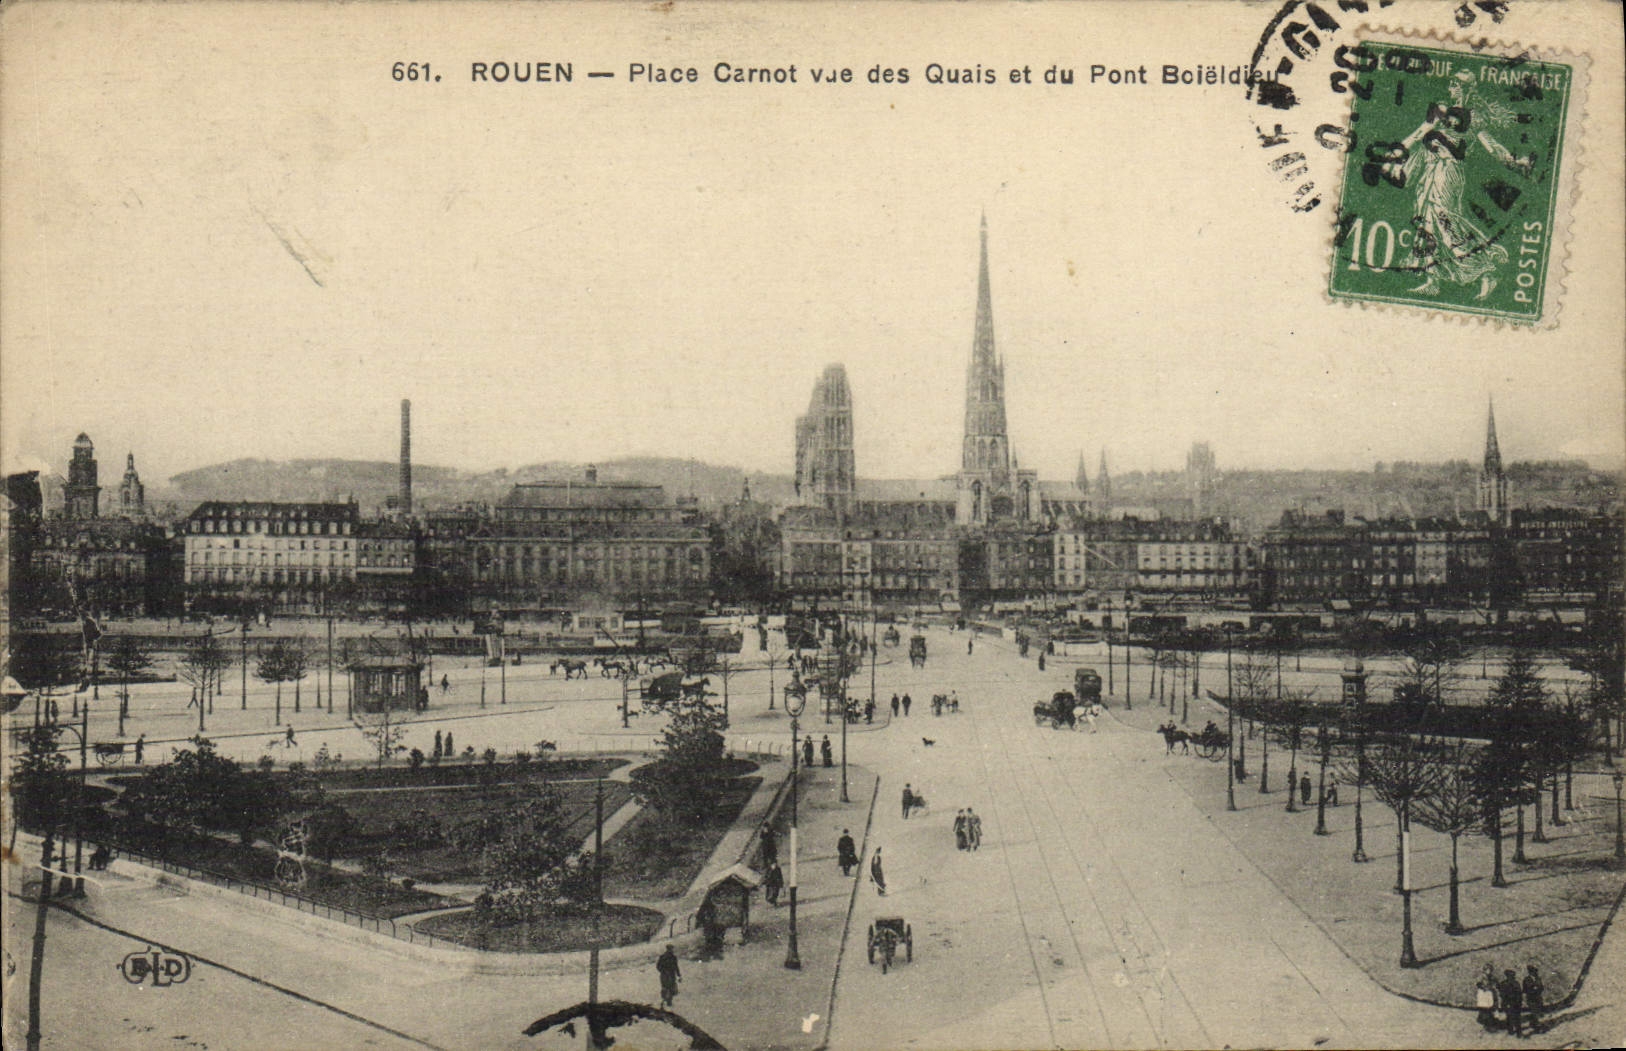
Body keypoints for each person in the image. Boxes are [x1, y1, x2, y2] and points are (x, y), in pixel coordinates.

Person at [1499, 968, 1524, 1038]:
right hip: (1508, 1003)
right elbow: (1502, 994)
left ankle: (1518, 1032)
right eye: (1510, 976)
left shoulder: (1516, 983)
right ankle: (1511, 1030)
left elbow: (1519, 993)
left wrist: (1519, 1002)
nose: (1511, 977)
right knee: (1509, 1017)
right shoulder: (1504, 984)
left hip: (1516, 1004)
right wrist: (1505, 1003)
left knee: (1517, 1018)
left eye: (1512, 976)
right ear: (1507, 976)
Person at [1475, 963, 1499, 1030]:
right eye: (1488, 970)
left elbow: (1496, 983)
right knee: (1485, 1008)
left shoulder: (1492, 977)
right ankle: (1486, 1023)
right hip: (1484, 994)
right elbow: (1478, 984)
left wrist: (1495, 986)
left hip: (1491, 994)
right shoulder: (1482, 977)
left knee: (1492, 1007)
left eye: (1490, 970)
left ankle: (1491, 1021)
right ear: (1485, 970)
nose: (1489, 971)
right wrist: (1484, 988)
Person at [1522, 964, 1544, 1034]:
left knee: (1537, 1011)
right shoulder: (1526, 979)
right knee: (1535, 1012)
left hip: (1538, 998)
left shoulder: (1538, 978)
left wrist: (1537, 988)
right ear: (1530, 972)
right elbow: (1525, 989)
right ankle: (1537, 1027)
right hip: (1531, 998)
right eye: (1533, 971)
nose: (1534, 973)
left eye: (1535, 971)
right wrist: (1534, 989)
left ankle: (1533, 1023)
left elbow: (1542, 987)